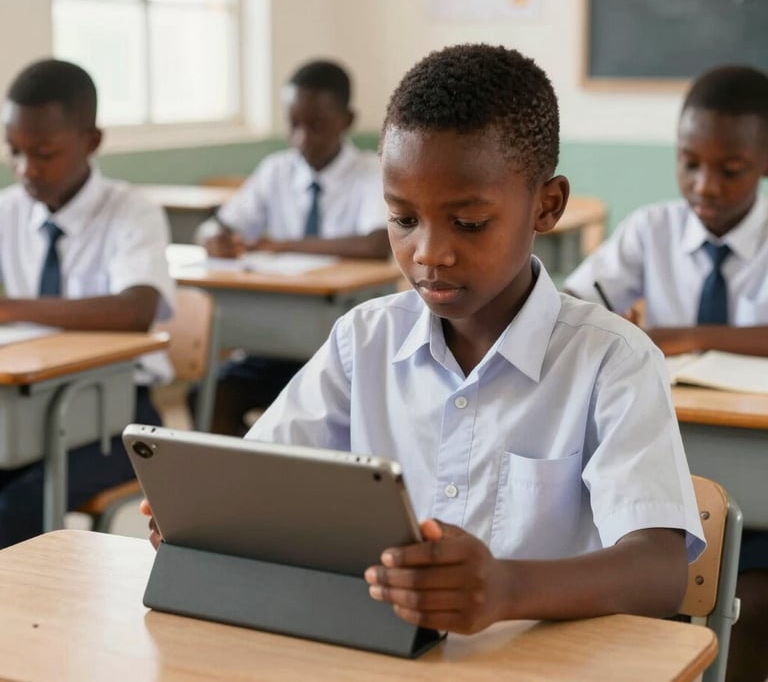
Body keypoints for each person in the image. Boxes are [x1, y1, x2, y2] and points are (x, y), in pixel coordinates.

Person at [146, 44, 704, 631]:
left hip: (541, 661)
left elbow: (660, 571)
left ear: (548, 205)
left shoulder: (610, 360)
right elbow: (257, 479)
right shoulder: (363, 341)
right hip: (384, 651)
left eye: (468, 222)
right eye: (403, 219)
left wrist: (508, 588)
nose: (429, 252)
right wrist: (208, 518)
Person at [564, 64, 768, 682]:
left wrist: (688, 335)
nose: (704, 185)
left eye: (729, 169)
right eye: (689, 163)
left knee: (751, 607)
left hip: (756, 494)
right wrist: (606, 323)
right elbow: (572, 305)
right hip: (660, 475)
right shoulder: (651, 228)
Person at [0, 58, 175, 547]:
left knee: (15, 508)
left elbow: (134, 310)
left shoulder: (131, 211)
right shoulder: (8, 209)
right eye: (13, 151)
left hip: (118, 414)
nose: (25, 168)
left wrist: (12, 308)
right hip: (28, 406)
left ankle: (24, 619)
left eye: (45, 152)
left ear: (91, 141)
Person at [195, 59, 390, 435]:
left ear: (347, 120)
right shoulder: (277, 170)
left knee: (327, 422)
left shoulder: (372, 171)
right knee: (209, 395)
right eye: (293, 124)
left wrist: (281, 245)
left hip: (346, 351)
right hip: (275, 344)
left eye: (315, 125)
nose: (302, 137)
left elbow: (375, 244)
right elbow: (218, 224)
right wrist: (212, 237)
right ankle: (245, 486)